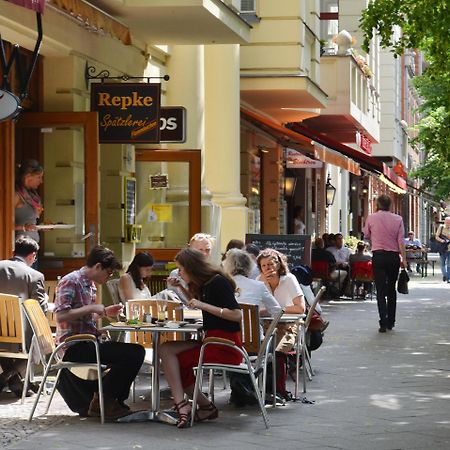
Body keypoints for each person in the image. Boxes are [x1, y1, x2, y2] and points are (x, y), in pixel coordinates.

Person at [54, 245, 145, 420]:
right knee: (133, 353)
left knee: (134, 351)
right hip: (73, 346)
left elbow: (85, 317)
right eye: (109, 272)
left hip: (89, 342)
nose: (109, 276)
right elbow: (60, 316)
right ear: (97, 266)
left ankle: (110, 400)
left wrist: (104, 312)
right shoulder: (71, 280)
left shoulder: (91, 285)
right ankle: (105, 400)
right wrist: (92, 308)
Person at [159, 248, 242, 428]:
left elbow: (236, 315)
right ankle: (196, 405)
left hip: (225, 346)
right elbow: (196, 302)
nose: (179, 273)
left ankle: (186, 405)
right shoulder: (206, 284)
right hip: (211, 341)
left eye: (181, 269)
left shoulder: (218, 282)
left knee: (175, 362)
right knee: (165, 349)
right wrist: (180, 287)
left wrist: (202, 304)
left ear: (191, 267)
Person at [0, 236, 47, 397]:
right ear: (32, 256)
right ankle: (6, 378)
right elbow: (39, 309)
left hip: (0, 333)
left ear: (14, 252)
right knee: (41, 344)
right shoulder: (35, 275)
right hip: (21, 335)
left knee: (2, 346)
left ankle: (14, 383)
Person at [256, 248, 305, 400]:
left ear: (279, 265)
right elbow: (259, 310)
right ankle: (261, 389)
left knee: (278, 350)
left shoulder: (289, 279)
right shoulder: (259, 281)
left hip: (289, 324)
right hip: (268, 325)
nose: (268, 268)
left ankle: (280, 390)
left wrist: (279, 310)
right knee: (256, 349)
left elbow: (300, 308)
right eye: (264, 266)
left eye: (271, 264)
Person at [362, 195, 406, 333]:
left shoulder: (371, 217)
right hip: (393, 257)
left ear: (377, 204)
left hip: (379, 256)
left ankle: (383, 321)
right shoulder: (398, 219)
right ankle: (391, 321)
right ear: (390, 206)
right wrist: (403, 259)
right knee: (391, 289)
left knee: (380, 290)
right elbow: (401, 242)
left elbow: (366, 235)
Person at [167, 233, 215, 303]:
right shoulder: (175, 275)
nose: (204, 254)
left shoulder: (213, 275)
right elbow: (172, 301)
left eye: (207, 250)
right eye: (200, 250)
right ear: (189, 250)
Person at [15, 159, 44, 243]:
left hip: (32, 247)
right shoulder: (16, 195)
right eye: (39, 177)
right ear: (28, 176)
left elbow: (31, 223)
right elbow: (3, 223)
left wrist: (41, 227)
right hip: (20, 247)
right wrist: (23, 227)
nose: (41, 181)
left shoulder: (33, 196)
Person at [435, 217, 450, 282]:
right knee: (442, 263)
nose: (447, 224)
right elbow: (436, 236)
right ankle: (446, 276)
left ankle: (448, 278)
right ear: (445, 222)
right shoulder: (441, 227)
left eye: (449, 223)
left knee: (449, 264)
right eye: (447, 222)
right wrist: (441, 240)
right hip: (443, 248)